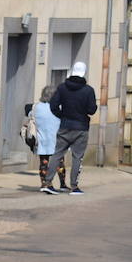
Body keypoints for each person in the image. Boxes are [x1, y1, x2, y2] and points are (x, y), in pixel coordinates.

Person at [44, 61, 97, 194]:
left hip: (65, 126)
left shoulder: (62, 88)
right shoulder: (88, 90)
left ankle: (48, 182)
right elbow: (91, 110)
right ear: (84, 72)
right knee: (77, 157)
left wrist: (62, 116)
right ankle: (74, 187)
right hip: (81, 128)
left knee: (57, 154)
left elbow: (53, 105)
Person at [29, 86, 68, 193]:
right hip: (57, 139)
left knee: (44, 162)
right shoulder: (58, 107)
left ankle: (44, 184)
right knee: (59, 162)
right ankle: (63, 184)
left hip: (42, 140)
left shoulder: (36, 107)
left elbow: (30, 116)